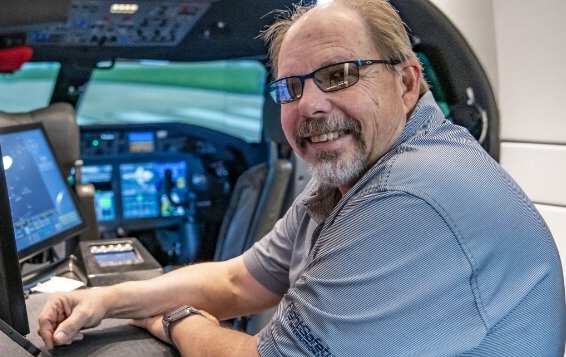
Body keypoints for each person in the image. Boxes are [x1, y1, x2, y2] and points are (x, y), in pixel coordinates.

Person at [38, 0, 566, 355]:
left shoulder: (407, 195)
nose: (309, 104)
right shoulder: (347, 180)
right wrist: (106, 300)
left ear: (407, 83)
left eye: (339, 75)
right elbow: (237, 280)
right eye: (289, 88)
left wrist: (174, 321)